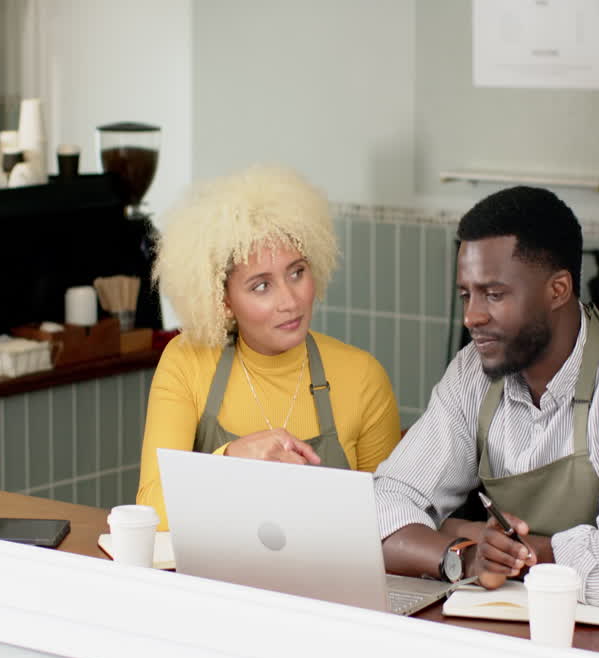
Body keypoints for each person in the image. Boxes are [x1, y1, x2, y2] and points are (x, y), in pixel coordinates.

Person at [374, 186, 599, 611]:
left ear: (558, 290)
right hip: (510, 630)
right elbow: (381, 508)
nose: (471, 317)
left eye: (494, 294)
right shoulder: (471, 374)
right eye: (466, 294)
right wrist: (464, 556)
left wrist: (510, 552)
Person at [137, 166, 402, 531]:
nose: (290, 301)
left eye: (297, 273)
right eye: (261, 286)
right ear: (223, 300)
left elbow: (390, 520)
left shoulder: (362, 376)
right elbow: (151, 508)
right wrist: (230, 460)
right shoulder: (187, 361)